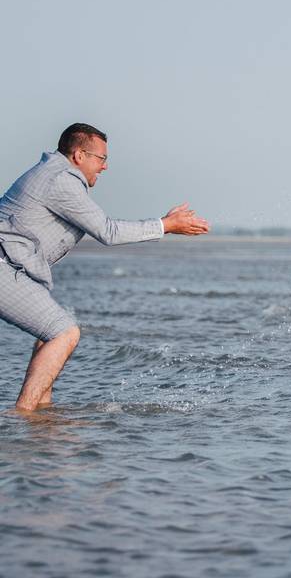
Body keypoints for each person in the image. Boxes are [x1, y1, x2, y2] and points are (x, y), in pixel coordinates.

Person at [0, 123, 209, 412]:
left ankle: (41, 416)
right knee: (64, 333)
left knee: (49, 334)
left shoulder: (53, 173)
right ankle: (22, 415)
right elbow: (107, 232)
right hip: (4, 267)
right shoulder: (62, 179)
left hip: (11, 269)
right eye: (101, 158)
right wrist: (166, 225)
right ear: (78, 155)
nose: (105, 167)